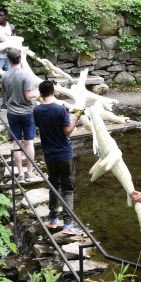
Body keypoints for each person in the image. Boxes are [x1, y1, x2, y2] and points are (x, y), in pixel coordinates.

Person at [33, 81, 81, 235]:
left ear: (40, 94)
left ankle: (53, 220)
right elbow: (67, 131)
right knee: (68, 189)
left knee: (54, 186)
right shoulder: (60, 109)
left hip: (49, 155)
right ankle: (67, 224)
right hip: (65, 154)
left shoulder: (37, 110)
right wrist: (77, 117)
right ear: (54, 91)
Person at [0, 48, 39, 181]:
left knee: (16, 143)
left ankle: (20, 174)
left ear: (9, 60)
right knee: (29, 142)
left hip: (12, 113)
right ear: (20, 59)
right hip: (27, 113)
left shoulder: (4, 75)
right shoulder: (26, 74)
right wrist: (38, 92)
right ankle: (30, 172)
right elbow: (29, 96)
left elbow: (5, 93)